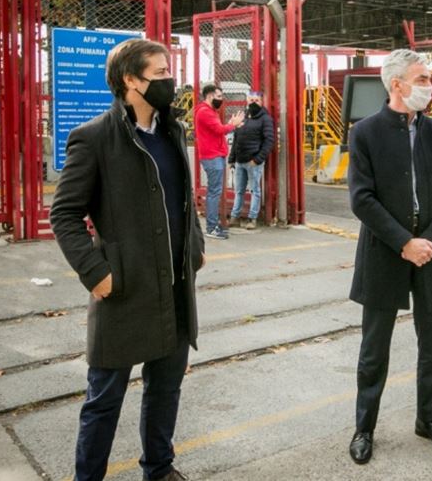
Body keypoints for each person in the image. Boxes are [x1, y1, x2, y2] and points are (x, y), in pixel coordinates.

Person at [50, 38, 205, 481]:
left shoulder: (172, 131)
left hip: (174, 286)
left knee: (165, 388)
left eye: (167, 70)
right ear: (130, 81)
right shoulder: (95, 137)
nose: (169, 81)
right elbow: (63, 214)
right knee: (104, 400)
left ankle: (159, 467)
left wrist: (194, 249)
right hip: (124, 288)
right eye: (159, 73)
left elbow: (182, 201)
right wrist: (96, 273)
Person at [347, 49, 432, 465]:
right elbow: (362, 199)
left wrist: (428, 239)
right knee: (374, 349)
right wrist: (404, 242)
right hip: (386, 251)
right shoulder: (365, 133)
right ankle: (365, 428)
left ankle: (428, 419)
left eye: (428, 79)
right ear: (396, 84)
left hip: (431, 251)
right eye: (421, 79)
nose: (429, 86)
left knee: (430, 346)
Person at [194, 84, 244, 239]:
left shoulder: (208, 111)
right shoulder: (205, 112)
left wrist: (231, 125)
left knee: (215, 192)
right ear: (210, 96)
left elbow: (218, 129)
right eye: (219, 96)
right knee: (214, 192)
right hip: (212, 156)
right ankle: (211, 227)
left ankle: (213, 225)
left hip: (215, 155)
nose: (221, 100)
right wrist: (232, 125)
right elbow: (219, 130)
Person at [228, 90, 275, 229]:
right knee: (239, 190)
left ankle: (252, 219)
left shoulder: (265, 118)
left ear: (261, 102)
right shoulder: (242, 116)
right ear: (247, 101)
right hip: (240, 161)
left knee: (255, 190)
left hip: (253, 162)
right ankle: (234, 217)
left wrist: (258, 159)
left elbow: (269, 141)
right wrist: (232, 159)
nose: (253, 103)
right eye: (251, 100)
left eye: (256, 101)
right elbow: (236, 139)